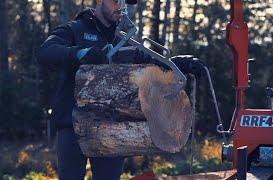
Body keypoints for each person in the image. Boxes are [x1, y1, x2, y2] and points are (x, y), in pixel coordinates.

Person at [37, 0, 206, 179]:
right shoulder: (75, 30)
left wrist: (178, 63)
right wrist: (81, 53)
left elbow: (151, 63)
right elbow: (46, 52)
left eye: (124, 2)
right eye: (115, 0)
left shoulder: (124, 42)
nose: (120, 6)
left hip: (112, 128)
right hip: (72, 126)